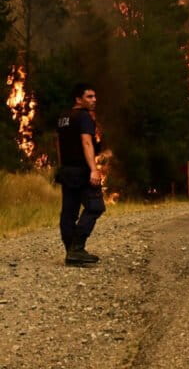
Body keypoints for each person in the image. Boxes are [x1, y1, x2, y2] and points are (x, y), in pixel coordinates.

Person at [56, 83, 106, 266]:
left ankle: (70, 251)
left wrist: (62, 167)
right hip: (81, 170)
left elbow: (59, 144)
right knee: (95, 206)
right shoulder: (84, 117)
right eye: (89, 97)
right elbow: (86, 143)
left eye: (94, 96)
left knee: (69, 211)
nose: (94, 100)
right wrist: (93, 169)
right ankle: (77, 248)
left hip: (67, 170)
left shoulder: (63, 117)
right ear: (78, 99)